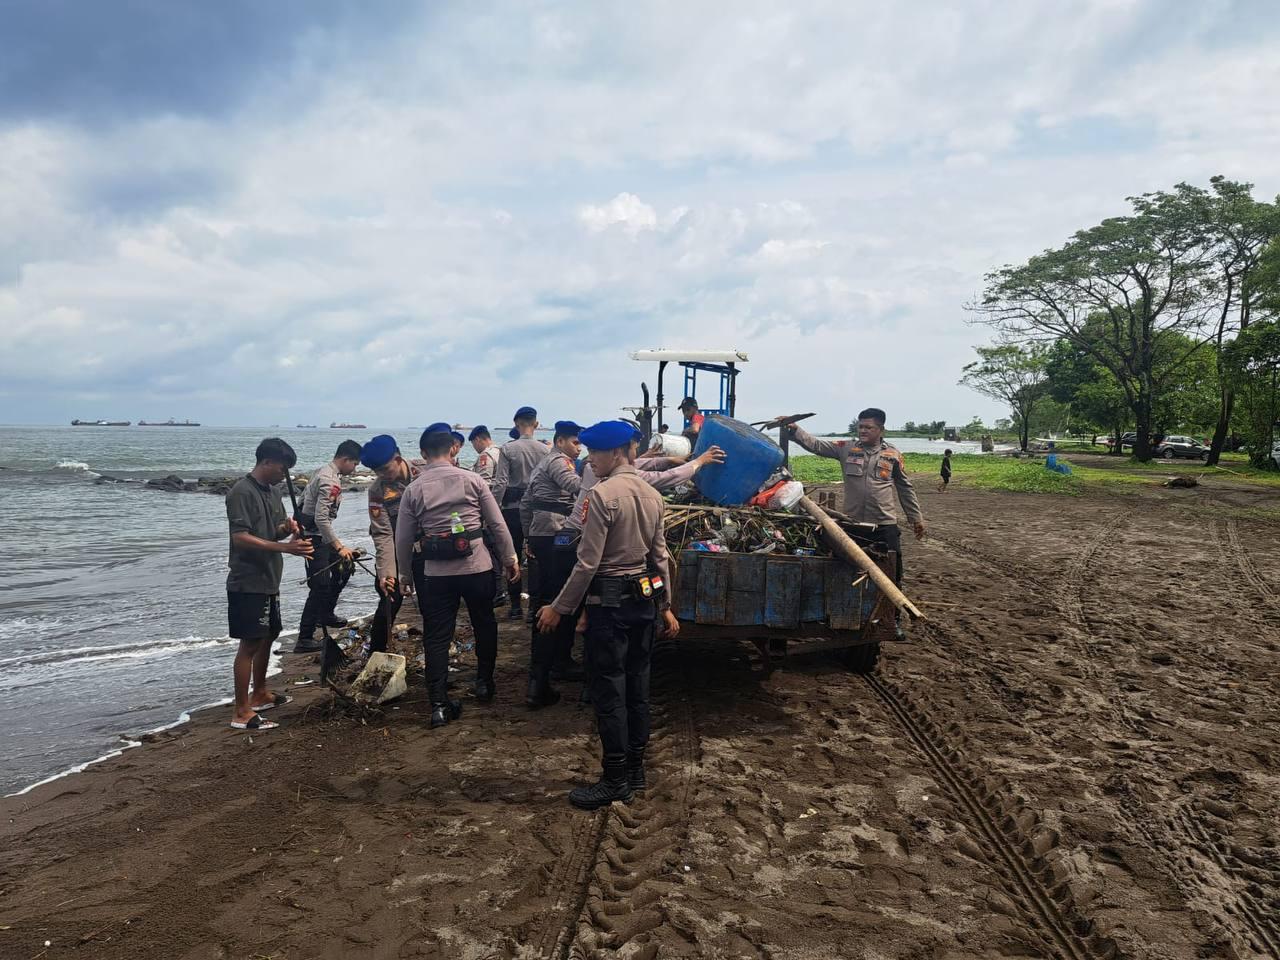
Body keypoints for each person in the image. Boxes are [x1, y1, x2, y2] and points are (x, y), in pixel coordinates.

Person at [538, 420, 678, 810]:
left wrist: (558, 609)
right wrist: (665, 607)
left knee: (609, 692)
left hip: (611, 609)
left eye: (594, 453)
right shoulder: (652, 495)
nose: (588, 460)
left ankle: (615, 778)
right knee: (638, 687)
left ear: (616, 452)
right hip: (643, 604)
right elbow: (660, 557)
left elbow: (586, 565)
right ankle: (635, 771)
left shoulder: (601, 496)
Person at [395, 423, 519, 729]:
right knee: (484, 622)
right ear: (453, 449)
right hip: (477, 567)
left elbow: (403, 537)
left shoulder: (414, 489)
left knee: (437, 636)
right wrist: (510, 557)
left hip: (436, 572)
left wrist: (404, 573)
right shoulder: (473, 480)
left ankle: (438, 704)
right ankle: (484, 683)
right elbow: (497, 524)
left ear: (423, 454)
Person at [784, 407, 926, 639]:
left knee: (891, 574)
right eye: (860, 426)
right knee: (845, 570)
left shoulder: (892, 454)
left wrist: (916, 517)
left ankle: (892, 622)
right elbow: (816, 445)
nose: (863, 431)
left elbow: (904, 488)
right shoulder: (847, 448)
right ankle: (842, 615)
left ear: (881, 429)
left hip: (884, 525)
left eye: (868, 427)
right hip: (852, 524)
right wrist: (795, 430)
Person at [225, 438, 313, 730]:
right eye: (283, 468)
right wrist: (287, 549)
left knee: (269, 634)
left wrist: (287, 530)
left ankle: (260, 693)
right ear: (267, 462)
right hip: (247, 580)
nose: (285, 475)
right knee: (249, 643)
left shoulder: (273, 492)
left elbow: (270, 532)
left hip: (269, 578)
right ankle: (241, 711)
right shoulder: (241, 491)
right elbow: (241, 537)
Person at [520, 420, 584, 705]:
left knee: (547, 598)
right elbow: (579, 487)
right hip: (557, 535)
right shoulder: (559, 462)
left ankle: (546, 670)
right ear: (560, 441)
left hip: (540, 534)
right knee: (563, 598)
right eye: (575, 442)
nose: (579, 448)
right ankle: (551, 669)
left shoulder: (543, 463)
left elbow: (524, 503)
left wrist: (527, 536)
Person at [294, 439, 362, 653]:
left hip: (320, 535)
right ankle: (305, 637)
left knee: (345, 567)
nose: (355, 468)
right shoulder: (329, 480)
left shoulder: (321, 472)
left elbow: (302, 501)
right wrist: (339, 546)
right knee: (319, 585)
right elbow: (322, 519)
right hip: (315, 537)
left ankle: (326, 613)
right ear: (345, 459)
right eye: (355, 464)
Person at [361, 435, 425, 654]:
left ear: (398, 458)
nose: (382, 475)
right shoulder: (377, 490)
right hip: (397, 549)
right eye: (377, 471)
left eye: (386, 469)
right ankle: (375, 654)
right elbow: (383, 533)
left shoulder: (426, 470)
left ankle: (435, 657)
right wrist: (387, 574)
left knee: (431, 604)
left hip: (429, 548)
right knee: (389, 599)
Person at [492, 406, 547, 621]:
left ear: (516, 424)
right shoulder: (544, 450)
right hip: (536, 510)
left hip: (512, 510)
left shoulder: (508, 449)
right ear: (536, 424)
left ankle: (515, 606)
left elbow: (501, 483)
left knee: (511, 556)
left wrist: (493, 509)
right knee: (535, 558)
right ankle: (534, 607)